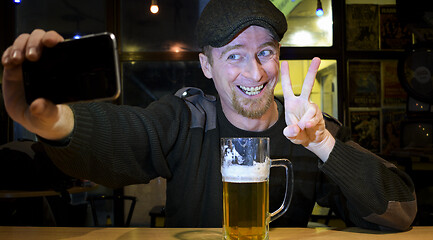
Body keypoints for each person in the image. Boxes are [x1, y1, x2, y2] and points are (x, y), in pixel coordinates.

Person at [2, 0, 416, 231]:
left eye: (265, 53)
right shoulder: (188, 118)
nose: (254, 72)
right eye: (234, 55)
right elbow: (130, 135)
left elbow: (400, 210)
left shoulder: (309, 127)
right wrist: (49, 122)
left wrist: (324, 144)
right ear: (206, 66)